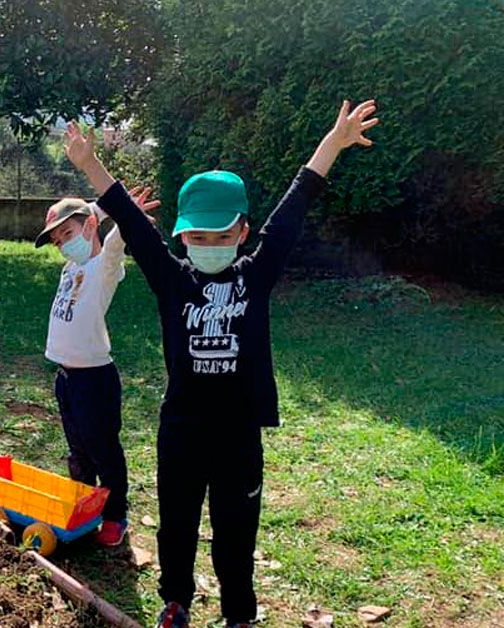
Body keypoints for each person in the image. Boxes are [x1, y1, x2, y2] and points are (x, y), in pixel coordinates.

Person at [65, 100, 379, 628]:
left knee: (237, 527)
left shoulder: (255, 275)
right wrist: (89, 166)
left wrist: (333, 143)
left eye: (221, 236)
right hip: (181, 428)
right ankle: (176, 601)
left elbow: (292, 212)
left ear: (241, 233)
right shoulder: (172, 278)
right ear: (183, 236)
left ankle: (239, 614)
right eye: (198, 237)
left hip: (238, 433)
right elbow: (131, 222)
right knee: (177, 525)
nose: (209, 245)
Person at [33, 187, 160, 547]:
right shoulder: (70, 268)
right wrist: (93, 212)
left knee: (103, 448)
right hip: (66, 377)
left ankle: (115, 513)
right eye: (57, 240)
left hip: (95, 379)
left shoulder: (103, 266)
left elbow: (116, 241)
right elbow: (84, 216)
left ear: (90, 226)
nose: (62, 243)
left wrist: (121, 212)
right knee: (78, 448)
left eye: (67, 235)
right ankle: (87, 505)